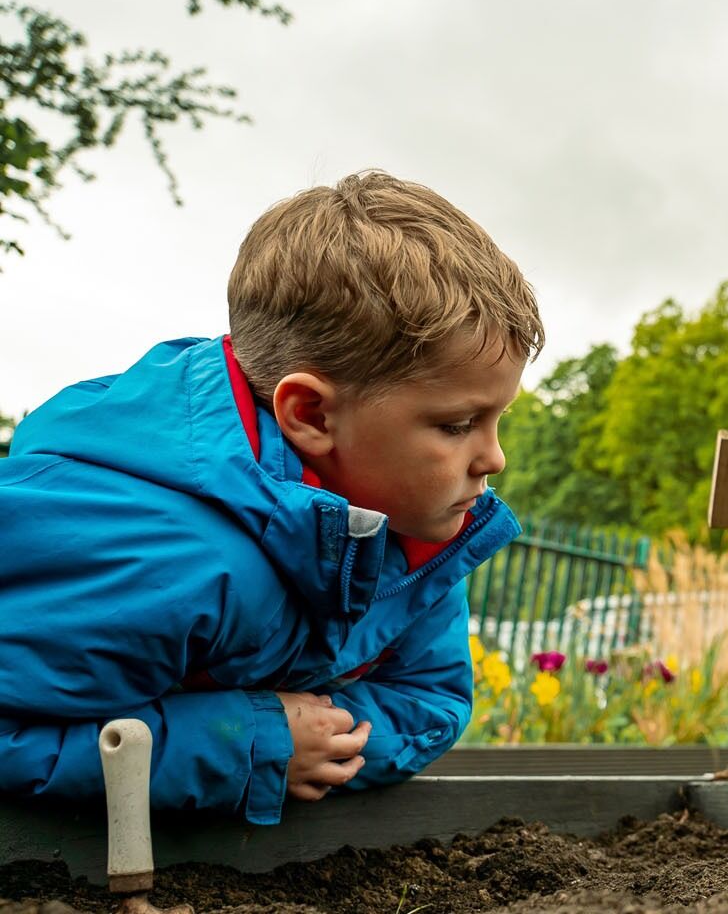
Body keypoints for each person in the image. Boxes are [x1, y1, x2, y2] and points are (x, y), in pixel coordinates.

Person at [0, 170, 543, 824]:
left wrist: (308, 736)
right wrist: (247, 744)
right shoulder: (163, 563)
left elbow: (430, 698)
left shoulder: (408, 540)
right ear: (310, 414)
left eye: (497, 418)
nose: (495, 458)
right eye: (457, 425)